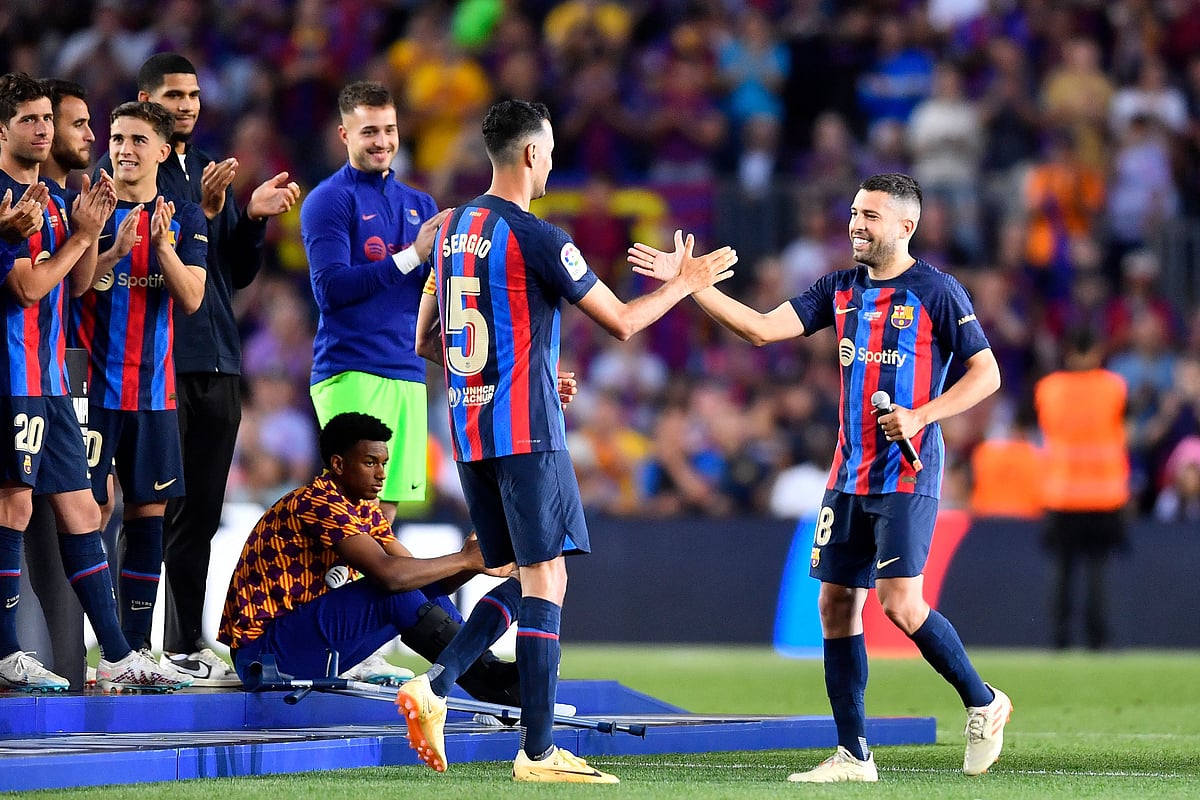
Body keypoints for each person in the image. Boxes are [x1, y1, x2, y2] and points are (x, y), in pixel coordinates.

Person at [629, 172, 1011, 782]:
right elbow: (759, 329)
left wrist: (921, 415)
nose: (856, 224)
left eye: (870, 216)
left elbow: (986, 374)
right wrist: (690, 286)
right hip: (847, 473)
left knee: (899, 604)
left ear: (906, 226)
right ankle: (854, 755)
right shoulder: (839, 289)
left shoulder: (937, 291)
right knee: (835, 605)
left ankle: (984, 702)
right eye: (855, 213)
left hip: (906, 470)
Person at [403, 99, 736, 783]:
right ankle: (536, 751)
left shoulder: (450, 230)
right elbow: (622, 322)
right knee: (547, 577)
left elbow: (426, 340)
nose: (553, 163)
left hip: (469, 431)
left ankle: (437, 686)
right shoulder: (540, 237)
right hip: (526, 434)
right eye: (551, 151)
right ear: (531, 154)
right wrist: (685, 282)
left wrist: (518, 373)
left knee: (525, 573)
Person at [94, 53, 301, 687]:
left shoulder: (207, 167)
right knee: (151, 507)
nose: (186, 105)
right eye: (173, 95)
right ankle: (127, 643)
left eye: (192, 95)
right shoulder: (131, 170)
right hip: (160, 364)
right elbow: (168, 251)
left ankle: (183, 642)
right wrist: (206, 214)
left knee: (202, 513)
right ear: (145, 102)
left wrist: (252, 219)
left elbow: (231, 273)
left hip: (219, 357)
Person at [0, 72, 187, 692]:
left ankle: (116, 653)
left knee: (82, 507)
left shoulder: (56, 200)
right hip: (13, 371)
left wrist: (93, 238)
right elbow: (26, 288)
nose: (43, 130)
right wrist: (85, 236)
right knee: (14, 502)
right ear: (3, 129)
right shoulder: (5, 199)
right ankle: (6, 651)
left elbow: (76, 284)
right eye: (30, 120)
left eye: (46, 119)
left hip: (52, 379)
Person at [300, 80, 451, 685]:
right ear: (344, 134)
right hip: (351, 372)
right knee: (352, 519)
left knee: (381, 519)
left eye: (388, 129)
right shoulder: (327, 202)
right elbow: (331, 290)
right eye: (369, 131)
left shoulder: (419, 202)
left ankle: (357, 643)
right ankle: (322, 638)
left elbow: (429, 297)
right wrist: (411, 256)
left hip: (407, 373)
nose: (382, 140)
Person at [217, 412, 524, 702]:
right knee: (393, 593)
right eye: (370, 462)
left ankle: (489, 673)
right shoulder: (318, 502)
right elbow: (391, 576)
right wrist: (464, 559)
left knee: (412, 591)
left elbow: (422, 585)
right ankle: (492, 683)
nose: (381, 474)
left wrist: (474, 562)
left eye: (384, 463)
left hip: (300, 641)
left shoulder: (363, 508)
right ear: (338, 464)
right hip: (264, 655)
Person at [71, 100, 208, 665]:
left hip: (154, 392)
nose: (124, 150)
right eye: (117, 138)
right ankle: (94, 646)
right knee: (87, 511)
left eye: (136, 140)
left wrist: (164, 248)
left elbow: (193, 297)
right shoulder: (88, 205)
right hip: (92, 392)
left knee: (149, 516)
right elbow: (77, 287)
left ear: (161, 151)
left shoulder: (185, 215)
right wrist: (115, 250)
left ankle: (136, 651)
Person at [1034, 327, 1129, 650]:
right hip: (1105, 495)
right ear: (1098, 351)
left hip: (1062, 494)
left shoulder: (1049, 388)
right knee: (1097, 572)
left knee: (1062, 572)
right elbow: (1124, 427)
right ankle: (1097, 641)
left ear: (1069, 351)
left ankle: (1059, 640)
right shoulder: (1113, 387)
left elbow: (1044, 427)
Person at [41, 78, 94, 191]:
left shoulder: (75, 200)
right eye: (78, 125)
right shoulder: (14, 197)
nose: (91, 137)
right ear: (48, 130)